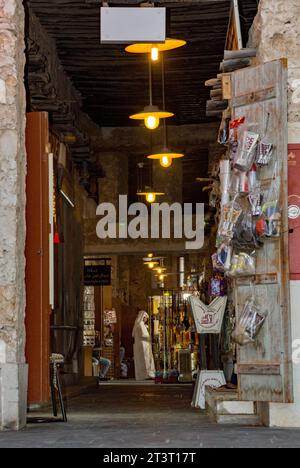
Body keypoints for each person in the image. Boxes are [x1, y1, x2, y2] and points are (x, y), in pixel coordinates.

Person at [132, 310, 156, 381]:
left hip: (143, 345)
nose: (146, 320)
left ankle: (145, 374)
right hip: (142, 345)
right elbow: (143, 335)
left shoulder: (141, 324)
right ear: (143, 317)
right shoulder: (140, 324)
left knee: (144, 361)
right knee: (144, 361)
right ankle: (145, 375)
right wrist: (151, 337)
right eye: (146, 318)